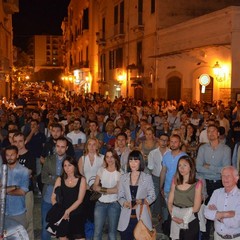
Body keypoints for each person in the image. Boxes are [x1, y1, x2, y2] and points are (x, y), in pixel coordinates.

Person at [196, 124, 231, 240]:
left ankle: (219, 234)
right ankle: (205, 235)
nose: (211, 133)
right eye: (208, 132)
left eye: (213, 131)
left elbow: (225, 169)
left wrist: (208, 166)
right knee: (204, 210)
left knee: (219, 210)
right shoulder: (202, 148)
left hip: (219, 183)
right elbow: (198, 167)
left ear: (218, 133)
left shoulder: (226, 149)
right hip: (205, 183)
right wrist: (216, 169)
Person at [117, 150, 156, 240]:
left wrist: (142, 201)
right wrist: (124, 203)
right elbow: (120, 196)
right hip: (126, 217)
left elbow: (152, 196)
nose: (133, 163)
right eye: (130, 161)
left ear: (140, 162)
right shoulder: (123, 177)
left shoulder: (147, 177)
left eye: (136, 160)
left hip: (142, 217)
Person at [51, 156, 87, 240]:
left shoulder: (82, 179)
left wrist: (67, 211)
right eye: (65, 165)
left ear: (74, 166)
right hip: (63, 215)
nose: (67, 168)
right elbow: (53, 198)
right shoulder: (60, 179)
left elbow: (80, 200)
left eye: (69, 165)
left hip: (77, 214)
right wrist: (60, 212)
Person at [168, 155, 202, 240]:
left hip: (190, 218)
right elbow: (169, 202)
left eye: (185, 165)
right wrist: (173, 216)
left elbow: (196, 208)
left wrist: (184, 218)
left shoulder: (197, 183)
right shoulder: (175, 180)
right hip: (175, 215)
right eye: (179, 165)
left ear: (191, 167)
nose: (181, 168)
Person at [41, 136, 69, 240]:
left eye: (63, 147)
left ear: (66, 148)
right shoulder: (48, 159)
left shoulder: (70, 161)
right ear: (55, 147)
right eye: (58, 146)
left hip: (64, 199)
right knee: (45, 225)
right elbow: (43, 178)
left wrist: (53, 177)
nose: (60, 149)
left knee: (63, 227)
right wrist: (59, 179)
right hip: (47, 197)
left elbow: (70, 179)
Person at [204, 166, 240, 240]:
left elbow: (236, 223)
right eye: (223, 176)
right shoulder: (216, 193)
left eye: (228, 176)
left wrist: (216, 215)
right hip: (217, 237)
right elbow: (206, 213)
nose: (225, 178)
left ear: (236, 178)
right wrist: (225, 214)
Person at [93, 149, 121, 240]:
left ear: (116, 158)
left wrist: (102, 190)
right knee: (97, 232)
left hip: (114, 204)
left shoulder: (120, 172)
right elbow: (94, 187)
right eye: (107, 157)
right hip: (100, 203)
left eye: (112, 157)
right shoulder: (101, 170)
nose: (109, 159)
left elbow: (117, 190)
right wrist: (110, 190)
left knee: (112, 233)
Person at [12, 132, 35, 240]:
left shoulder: (30, 155)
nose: (18, 144)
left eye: (20, 141)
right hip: (11, 193)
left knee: (28, 220)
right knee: (12, 220)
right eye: (15, 141)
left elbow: (28, 173)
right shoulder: (9, 155)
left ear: (25, 141)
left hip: (26, 193)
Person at [4, 145, 29, 230]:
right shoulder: (1, 170)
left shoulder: (24, 171)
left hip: (18, 211)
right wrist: (14, 187)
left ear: (17, 155)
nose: (9, 157)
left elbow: (22, 191)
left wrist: (4, 190)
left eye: (12, 155)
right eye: (7, 155)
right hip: (3, 211)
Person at [148, 133, 170, 218]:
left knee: (166, 200)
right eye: (162, 140)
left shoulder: (170, 153)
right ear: (159, 140)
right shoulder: (153, 153)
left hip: (168, 178)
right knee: (152, 197)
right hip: (155, 178)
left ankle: (165, 220)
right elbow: (150, 168)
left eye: (165, 140)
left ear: (168, 142)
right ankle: (149, 219)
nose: (163, 142)